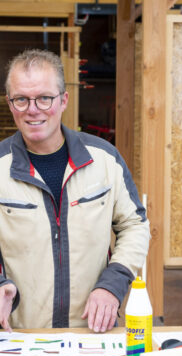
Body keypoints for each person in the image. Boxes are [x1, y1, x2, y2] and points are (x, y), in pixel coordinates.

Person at [0, 49, 150, 333]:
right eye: (21, 99)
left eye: (44, 98)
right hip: (20, 336)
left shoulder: (105, 159)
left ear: (63, 100)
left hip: (92, 332)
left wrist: (112, 285)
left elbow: (135, 225)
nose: (33, 109)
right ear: (10, 104)